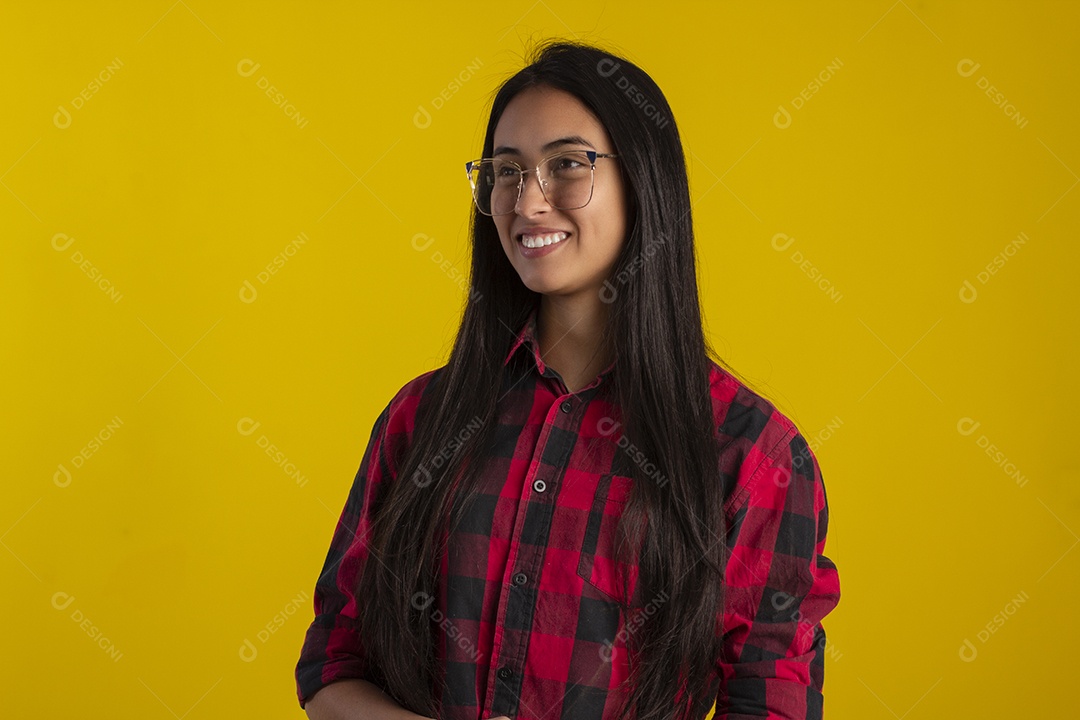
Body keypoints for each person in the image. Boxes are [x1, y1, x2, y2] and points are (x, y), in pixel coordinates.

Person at [295, 39, 841, 720]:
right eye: (506, 171)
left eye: (567, 165)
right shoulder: (421, 417)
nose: (527, 201)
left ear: (643, 181)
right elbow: (331, 666)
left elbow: (770, 704)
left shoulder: (753, 455)